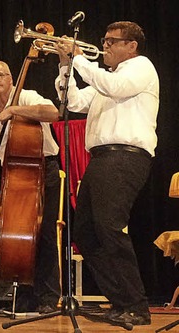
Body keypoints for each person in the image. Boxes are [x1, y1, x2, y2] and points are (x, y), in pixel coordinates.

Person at [53, 21, 158, 326]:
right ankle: (121, 302)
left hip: (125, 157)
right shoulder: (106, 79)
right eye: (105, 40)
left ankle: (137, 305)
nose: (105, 47)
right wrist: (65, 67)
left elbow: (113, 88)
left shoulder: (141, 67)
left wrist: (79, 58)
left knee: (110, 228)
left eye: (113, 42)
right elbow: (72, 102)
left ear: (131, 46)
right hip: (101, 159)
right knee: (85, 232)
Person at [0, 59, 61, 313]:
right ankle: (23, 293)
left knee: (43, 234)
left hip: (44, 170)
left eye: (1, 75)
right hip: (11, 174)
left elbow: (53, 113)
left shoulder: (28, 96)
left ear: (11, 78)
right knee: (15, 236)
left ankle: (48, 298)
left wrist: (15, 110)